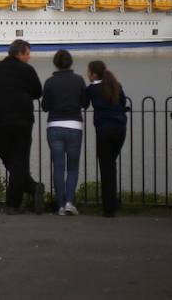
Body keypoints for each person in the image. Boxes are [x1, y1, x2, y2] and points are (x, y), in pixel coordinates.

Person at [0, 39, 45, 215]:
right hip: (22, 121)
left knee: (5, 155)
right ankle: (25, 195)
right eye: (27, 53)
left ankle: (26, 193)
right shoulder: (27, 70)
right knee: (19, 160)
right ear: (19, 53)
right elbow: (37, 92)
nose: (29, 57)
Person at [42, 49, 88, 216]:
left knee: (59, 167)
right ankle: (70, 202)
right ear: (71, 62)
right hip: (74, 126)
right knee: (73, 167)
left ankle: (60, 205)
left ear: (55, 63)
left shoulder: (49, 82)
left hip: (54, 126)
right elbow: (85, 103)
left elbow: (45, 106)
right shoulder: (79, 80)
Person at [86, 60, 128, 217]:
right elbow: (123, 103)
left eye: (88, 72)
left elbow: (83, 104)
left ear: (94, 74)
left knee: (106, 167)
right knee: (111, 165)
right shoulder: (117, 85)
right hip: (120, 129)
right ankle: (113, 201)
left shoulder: (92, 89)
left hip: (104, 131)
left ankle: (109, 207)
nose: (87, 74)